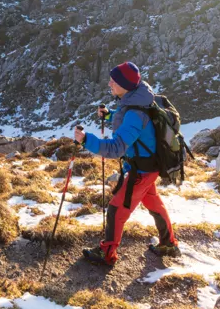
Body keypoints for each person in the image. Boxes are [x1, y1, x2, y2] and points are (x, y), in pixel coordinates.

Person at [73, 61, 179, 266]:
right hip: (148, 165)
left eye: (114, 81)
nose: (110, 83)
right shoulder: (140, 98)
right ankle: (169, 243)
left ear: (125, 85)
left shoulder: (135, 112)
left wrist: (86, 140)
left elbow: (116, 148)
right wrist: (111, 115)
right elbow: (133, 123)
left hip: (143, 170)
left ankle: (107, 252)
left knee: (116, 209)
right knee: (153, 203)